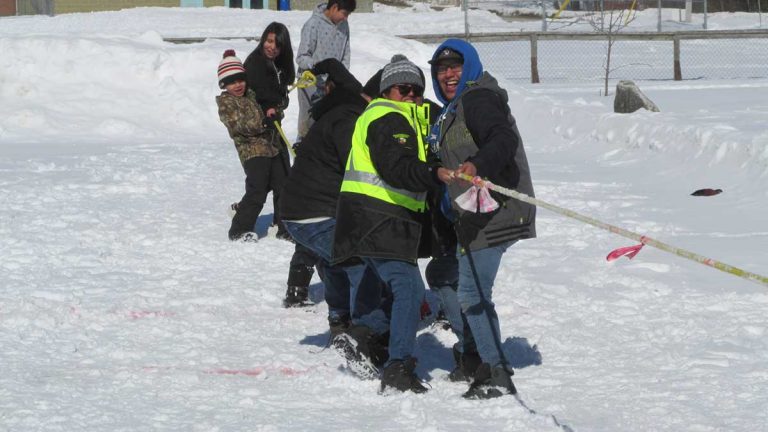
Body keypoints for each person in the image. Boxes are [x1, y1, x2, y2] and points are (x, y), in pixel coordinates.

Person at [332, 54, 453, 394]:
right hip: (381, 218)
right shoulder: (388, 118)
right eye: (404, 89)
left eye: (417, 89)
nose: (412, 95)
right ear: (388, 90)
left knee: (386, 287)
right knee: (410, 289)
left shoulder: (402, 117)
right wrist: (434, 173)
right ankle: (398, 366)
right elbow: (396, 167)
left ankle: (363, 335)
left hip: (372, 218)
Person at [428, 39, 537, 399]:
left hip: (497, 210)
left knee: (473, 290)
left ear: (470, 66)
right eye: (441, 69)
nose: (448, 74)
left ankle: (495, 372)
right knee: (446, 275)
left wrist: (478, 164)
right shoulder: (452, 111)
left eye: (455, 66)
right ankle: (474, 357)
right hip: (473, 215)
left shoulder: (478, 97)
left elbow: (501, 139)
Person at [280, 58, 382, 331]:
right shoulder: (351, 119)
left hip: (304, 210)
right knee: (360, 259)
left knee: (334, 260)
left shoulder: (342, 113)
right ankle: (366, 331)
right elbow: (359, 171)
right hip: (312, 213)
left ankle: (340, 318)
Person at [243, 22, 319, 308]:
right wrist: (269, 107)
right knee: (261, 185)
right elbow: (256, 97)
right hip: (258, 134)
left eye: (276, 42)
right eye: (268, 40)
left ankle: (283, 225)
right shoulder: (255, 64)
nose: (271, 46)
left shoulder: (278, 66)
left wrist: (281, 101)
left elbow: (278, 94)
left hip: (271, 130)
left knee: (284, 179)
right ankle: (241, 228)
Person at [215, 49, 285, 242]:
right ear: (224, 84)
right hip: (251, 151)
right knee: (258, 189)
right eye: (232, 82)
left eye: (240, 80)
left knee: (282, 184)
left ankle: (281, 225)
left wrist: (274, 112)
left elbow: (269, 110)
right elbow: (240, 124)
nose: (238, 85)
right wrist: (263, 123)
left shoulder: (252, 95)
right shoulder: (226, 103)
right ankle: (239, 229)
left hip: (271, 147)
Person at [295, 0, 355, 144]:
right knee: (310, 119)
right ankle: (302, 147)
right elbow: (302, 57)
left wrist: (340, 76)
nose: (346, 18)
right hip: (310, 81)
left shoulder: (344, 25)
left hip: (332, 83)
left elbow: (345, 54)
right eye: (344, 13)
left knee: (330, 120)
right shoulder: (313, 24)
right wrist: (319, 67)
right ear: (334, 7)